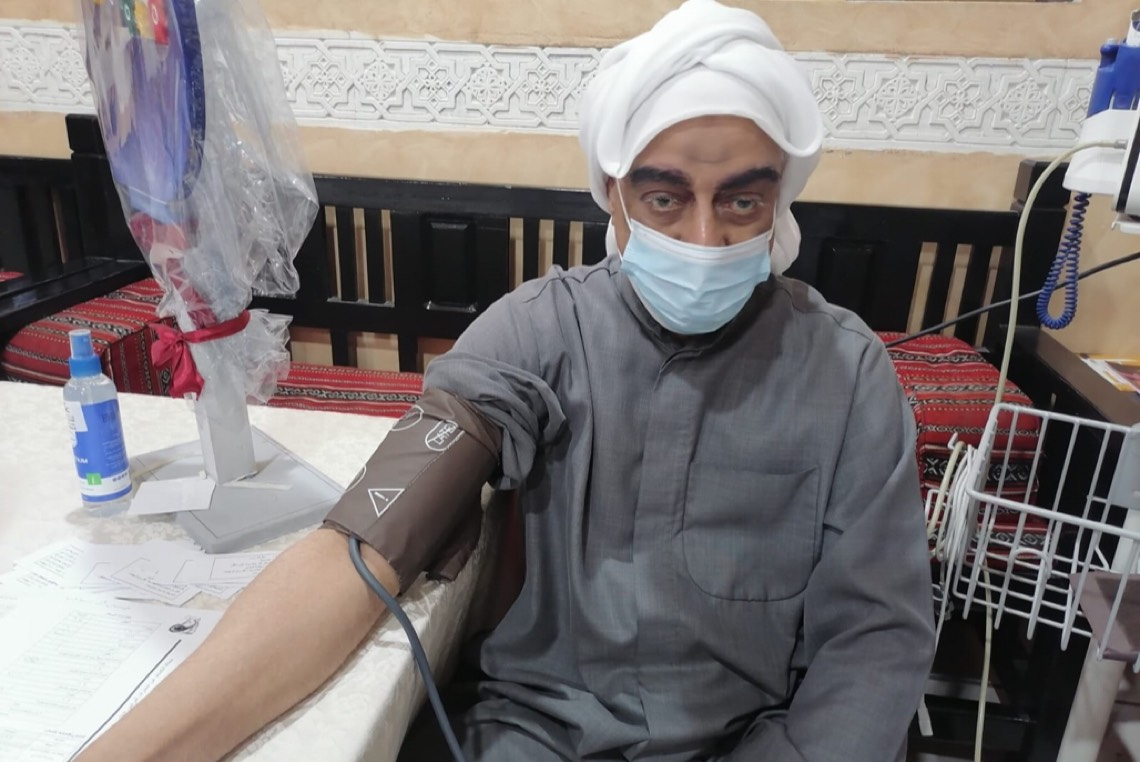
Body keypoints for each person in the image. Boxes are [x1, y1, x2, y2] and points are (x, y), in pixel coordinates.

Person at [76, 1, 935, 761]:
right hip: (541, 736)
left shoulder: (847, 374)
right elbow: (363, 547)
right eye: (665, 198)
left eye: (742, 202)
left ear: (780, 200)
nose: (706, 240)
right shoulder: (538, 333)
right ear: (612, 192)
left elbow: (875, 644)